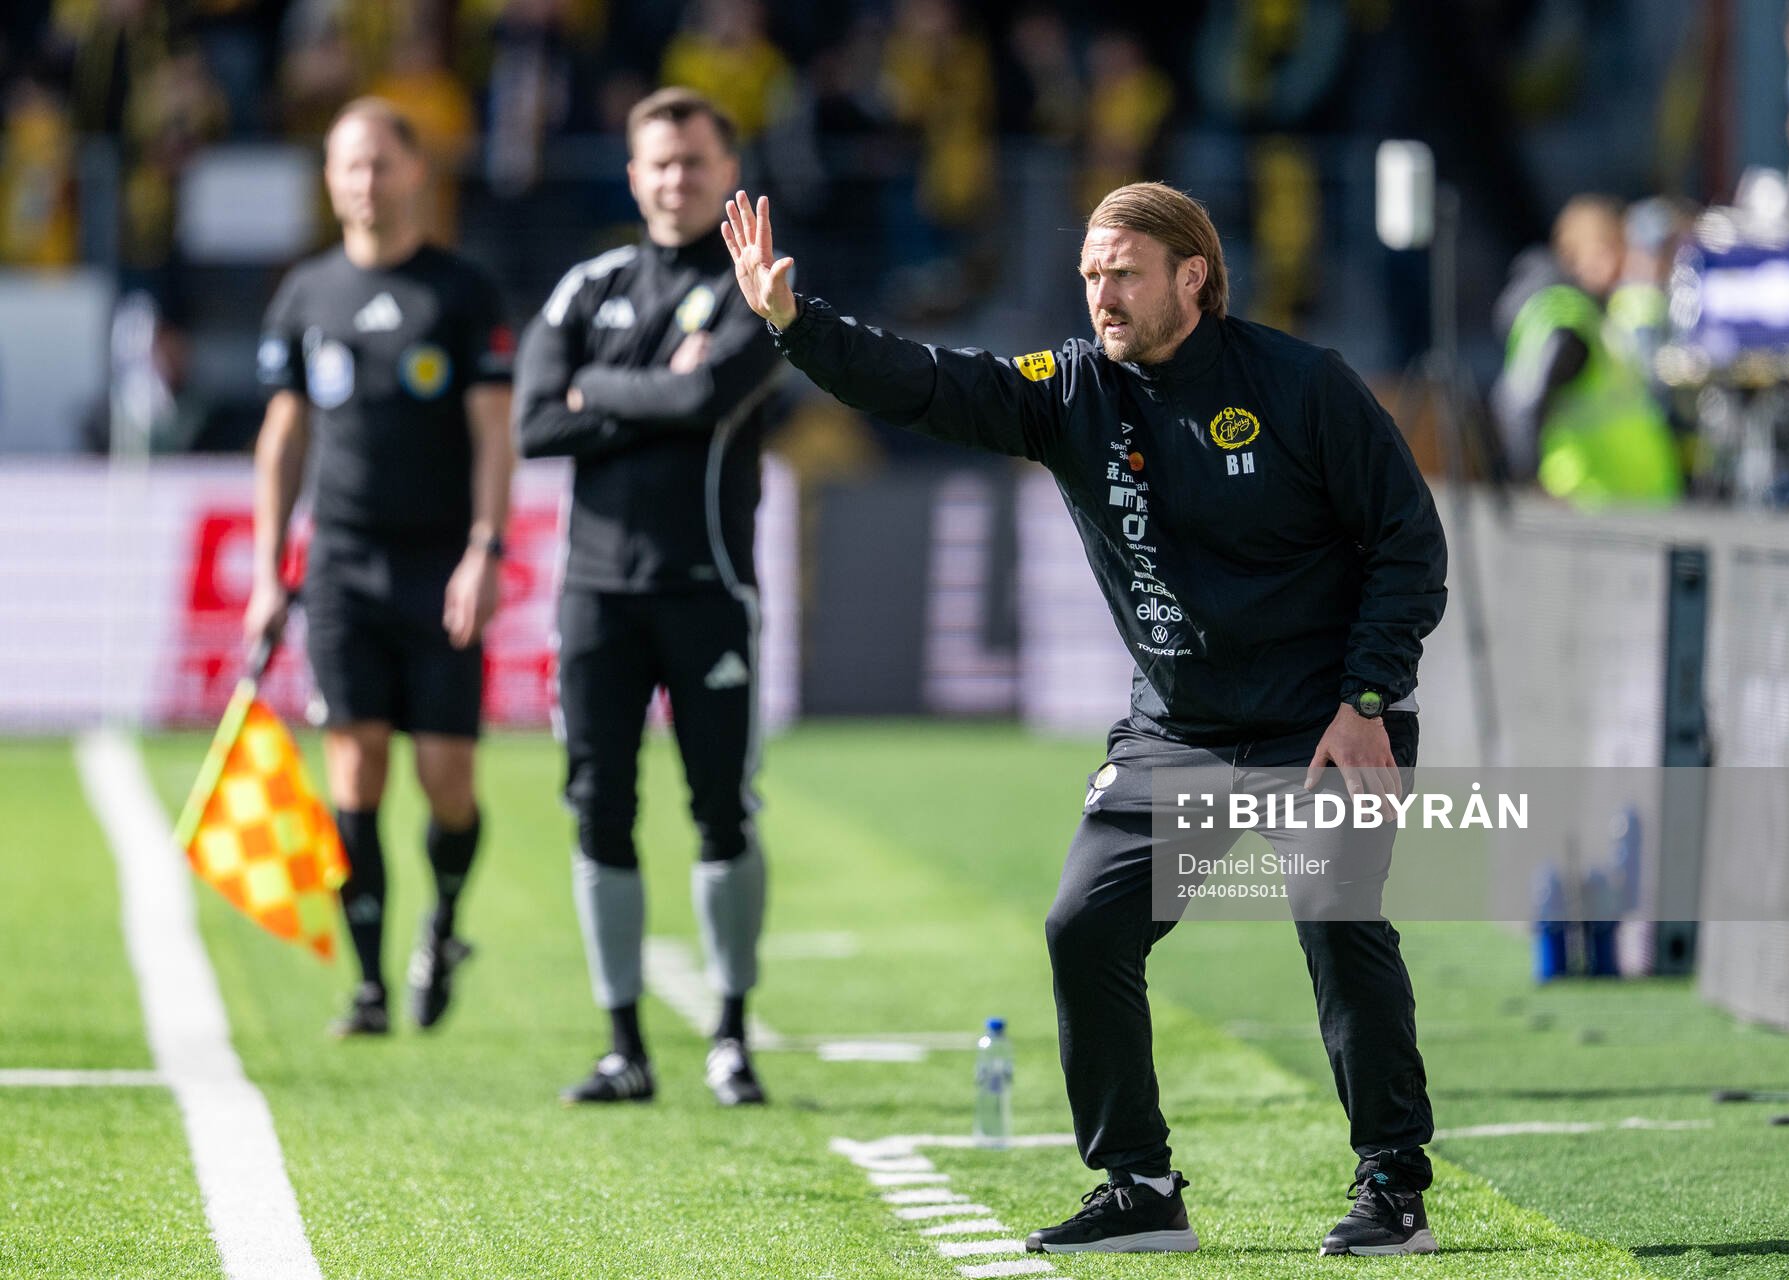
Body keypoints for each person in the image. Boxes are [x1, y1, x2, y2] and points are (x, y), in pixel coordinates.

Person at [721, 182, 1447, 1256]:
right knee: (1084, 922)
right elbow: (926, 385)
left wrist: (1367, 698)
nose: (1102, 294)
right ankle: (1141, 1185)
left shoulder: (1303, 386)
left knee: (1336, 918)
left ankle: (1393, 1183)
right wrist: (795, 322)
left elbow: (1407, 546)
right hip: (1178, 727)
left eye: (1124, 273)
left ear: (1191, 277)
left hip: (1322, 721)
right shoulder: (1068, 389)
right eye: (1091, 275)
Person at [514, 88, 782, 1108]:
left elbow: (709, 394)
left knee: (723, 810)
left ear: (728, 173)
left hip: (709, 588)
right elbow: (536, 423)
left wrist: (599, 390)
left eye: (696, 162)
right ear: (634, 177)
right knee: (599, 807)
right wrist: (643, 392)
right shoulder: (587, 284)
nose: (677, 179)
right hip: (595, 598)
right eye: (660, 164)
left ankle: (730, 1033)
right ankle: (623, 1042)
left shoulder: (757, 287)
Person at [245, 98, 516, 1038]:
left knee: (447, 783)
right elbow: (283, 436)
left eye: (379, 164)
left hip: (443, 564)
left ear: (415, 173)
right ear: (331, 181)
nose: (364, 182)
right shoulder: (304, 295)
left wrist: (486, 549)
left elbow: (494, 433)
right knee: (354, 773)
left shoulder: (462, 291)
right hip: (343, 566)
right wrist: (267, 569)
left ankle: (441, 924)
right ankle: (366, 984)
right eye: (347, 167)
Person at [1491, 195, 1683, 506]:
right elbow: (1519, 402)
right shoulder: (1568, 316)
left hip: (1621, 506)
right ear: (1571, 253)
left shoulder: (1594, 314)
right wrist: (1531, 485)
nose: (1616, 261)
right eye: (1605, 249)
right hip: (1585, 506)